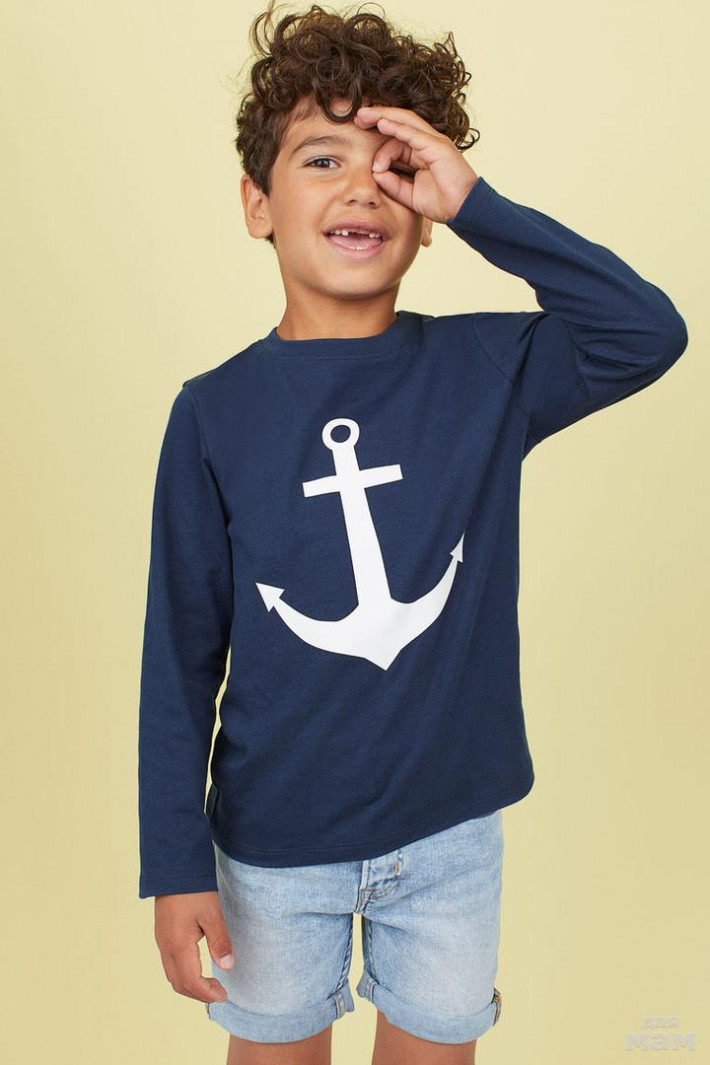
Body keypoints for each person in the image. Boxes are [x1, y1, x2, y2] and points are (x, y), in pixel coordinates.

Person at [137, 3, 688, 1063]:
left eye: (394, 167)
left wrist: (477, 203)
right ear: (256, 204)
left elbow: (645, 331)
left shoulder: (488, 373)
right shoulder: (212, 414)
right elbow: (180, 655)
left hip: (448, 841)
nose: (360, 188)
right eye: (322, 159)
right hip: (271, 849)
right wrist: (174, 861)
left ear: (426, 212)